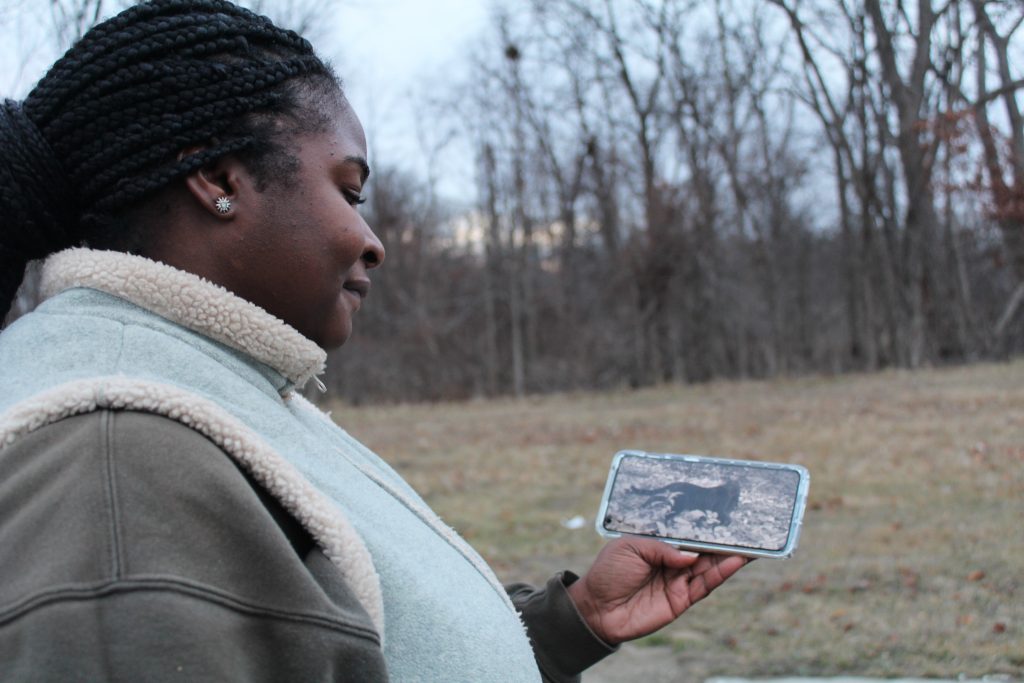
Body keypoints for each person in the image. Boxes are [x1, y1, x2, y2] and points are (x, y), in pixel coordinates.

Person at [0, 1, 747, 681]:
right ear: (219, 177)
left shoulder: (200, 387)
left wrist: (569, 623)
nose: (373, 240)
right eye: (349, 191)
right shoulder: (118, 460)